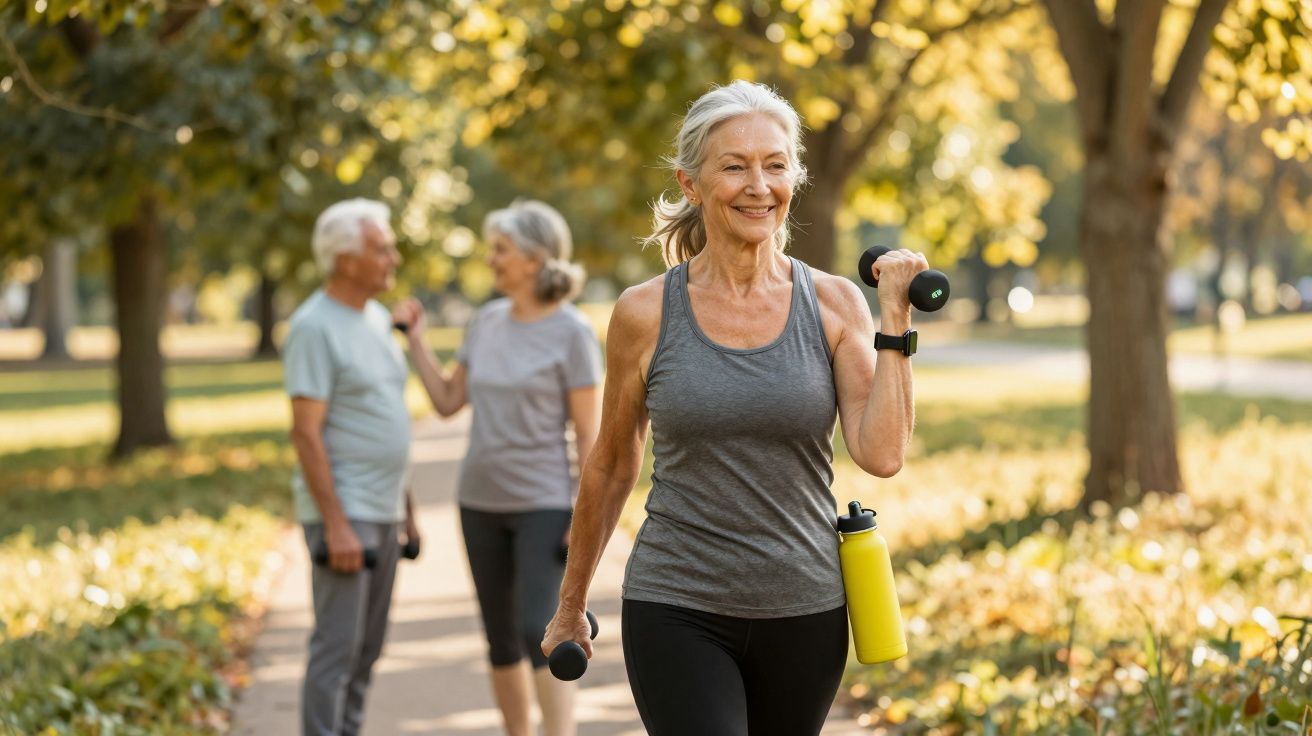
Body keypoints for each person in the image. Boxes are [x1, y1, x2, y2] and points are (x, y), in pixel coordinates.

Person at [540, 80, 928, 736]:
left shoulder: (835, 305)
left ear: (794, 178)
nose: (758, 185)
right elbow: (610, 467)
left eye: (775, 165)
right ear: (691, 184)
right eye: (735, 166)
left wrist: (894, 321)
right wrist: (570, 603)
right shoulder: (644, 314)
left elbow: (881, 453)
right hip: (676, 601)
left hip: (805, 605)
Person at [394, 200, 602, 736]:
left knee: (541, 627)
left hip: (544, 504)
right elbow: (446, 400)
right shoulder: (486, 321)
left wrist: (584, 517)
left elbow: (589, 435)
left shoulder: (572, 332)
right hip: (479, 501)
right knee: (500, 635)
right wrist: (415, 340)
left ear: (535, 259)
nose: (491, 260)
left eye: (501, 250)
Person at [283, 198, 421, 736]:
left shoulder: (374, 323)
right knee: (337, 651)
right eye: (381, 248)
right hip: (345, 513)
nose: (393, 256)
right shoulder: (313, 327)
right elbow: (305, 432)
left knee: (366, 652)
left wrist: (406, 509)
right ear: (345, 259)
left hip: (382, 511)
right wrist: (336, 524)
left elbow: (386, 421)